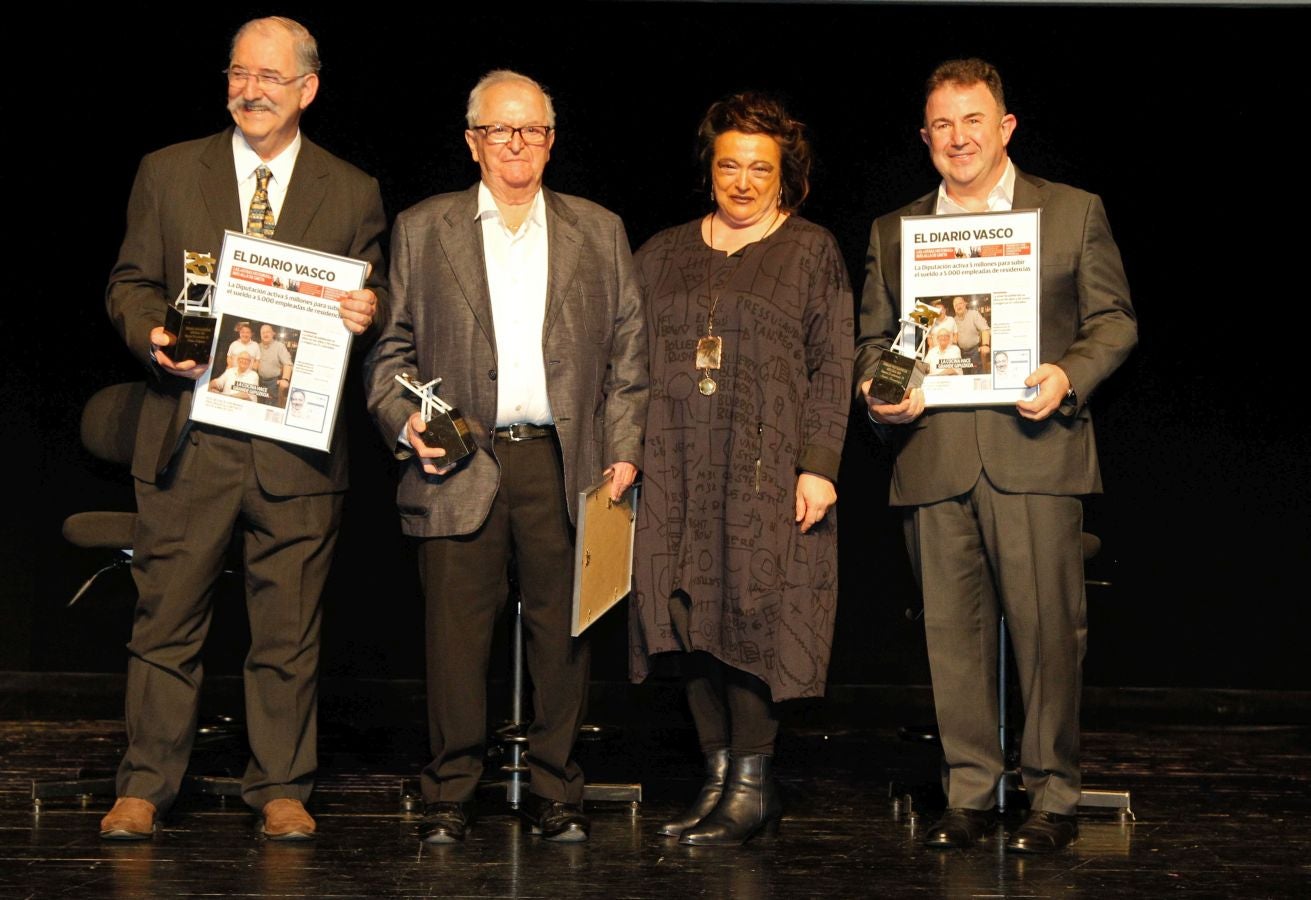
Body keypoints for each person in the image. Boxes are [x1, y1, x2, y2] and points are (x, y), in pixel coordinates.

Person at [99, 15, 386, 842]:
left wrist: (369, 309)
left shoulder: (352, 189)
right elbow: (128, 283)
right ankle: (145, 785)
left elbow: (372, 298)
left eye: (268, 77)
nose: (249, 90)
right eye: (237, 73)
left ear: (308, 89)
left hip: (294, 448)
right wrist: (151, 331)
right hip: (189, 434)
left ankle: (282, 789)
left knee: (288, 631)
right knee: (164, 623)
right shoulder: (167, 172)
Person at [856, 58, 1136, 853]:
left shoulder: (1072, 212)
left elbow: (1113, 321)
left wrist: (1066, 375)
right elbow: (877, 344)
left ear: (1004, 127)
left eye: (972, 120)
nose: (958, 138)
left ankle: (1051, 799)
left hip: (1035, 452)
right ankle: (969, 795)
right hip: (934, 457)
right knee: (950, 637)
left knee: (1050, 635)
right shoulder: (893, 231)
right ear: (924, 137)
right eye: (941, 124)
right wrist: (886, 391)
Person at [364, 70, 648, 846]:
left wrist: (623, 453)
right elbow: (389, 356)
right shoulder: (424, 229)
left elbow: (630, 354)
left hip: (567, 463)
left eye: (530, 130)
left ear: (551, 142)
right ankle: (449, 791)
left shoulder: (600, 228)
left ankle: (558, 789)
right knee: (455, 640)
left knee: (565, 637)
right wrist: (403, 426)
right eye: (498, 130)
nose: (515, 144)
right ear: (472, 142)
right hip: (456, 464)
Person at [629, 92, 853, 846]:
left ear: (784, 172)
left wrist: (818, 465)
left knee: (751, 614)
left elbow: (832, 366)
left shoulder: (810, 250)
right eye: (730, 165)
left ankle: (753, 784)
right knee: (687, 615)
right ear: (711, 168)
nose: (745, 181)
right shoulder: (659, 254)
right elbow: (623, 362)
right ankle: (717, 777)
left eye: (761, 168)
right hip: (674, 463)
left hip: (762, 470)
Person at [950, 295, 990, 374]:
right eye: (956, 305)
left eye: (960, 303)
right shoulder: (953, 320)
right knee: (964, 375)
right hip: (961, 352)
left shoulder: (973, 314)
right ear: (954, 308)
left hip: (974, 351)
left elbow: (985, 329)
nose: (958, 306)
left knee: (977, 374)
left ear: (965, 304)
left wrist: (985, 345)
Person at [256, 324, 293, 405]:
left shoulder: (279, 346)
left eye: (268, 332)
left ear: (273, 333)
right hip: (259, 381)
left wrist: (285, 379)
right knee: (258, 403)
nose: (265, 334)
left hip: (273, 383)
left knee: (271, 404)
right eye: (263, 332)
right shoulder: (257, 346)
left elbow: (287, 364)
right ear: (260, 335)